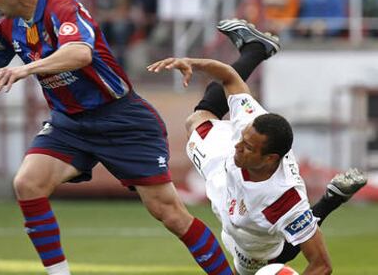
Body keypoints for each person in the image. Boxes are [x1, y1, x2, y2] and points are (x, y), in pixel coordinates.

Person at [0, 0, 234, 274]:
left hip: (121, 119)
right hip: (69, 124)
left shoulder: (62, 8)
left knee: (170, 214)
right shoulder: (7, 28)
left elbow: (79, 52)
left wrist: (26, 70)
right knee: (27, 183)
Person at [148, 19, 367, 275]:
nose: (238, 145)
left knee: (275, 254)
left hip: (251, 246)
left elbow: (321, 265)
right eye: (242, 139)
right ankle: (256, 48)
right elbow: (229, 77)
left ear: (270, 158)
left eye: (248, 146)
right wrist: (192, 63)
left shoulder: (284, 199)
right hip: (221, 170)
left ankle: (330, 200)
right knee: (196, 120)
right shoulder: (250, 127)